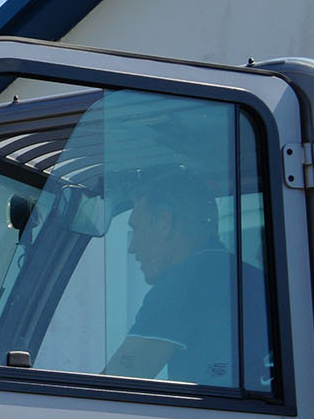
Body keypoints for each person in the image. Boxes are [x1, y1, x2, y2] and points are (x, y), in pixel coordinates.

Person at [109, 165, 265, 387]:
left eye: (137, 229)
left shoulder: (182, 285)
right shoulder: (254, 279)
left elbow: (117, 383)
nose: (132, 247)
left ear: (165, 222)